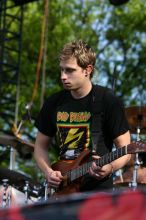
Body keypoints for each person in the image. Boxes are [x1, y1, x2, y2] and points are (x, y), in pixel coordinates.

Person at [34, 39, 131, 194]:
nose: (63, 77)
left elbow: (125, 150)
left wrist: (110, 167)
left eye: (70, 70)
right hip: (64, 191)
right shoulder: (54, 102)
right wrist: (48, 172)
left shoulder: (108, 100)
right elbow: (40, 146)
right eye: (62, 70)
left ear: (88, 70)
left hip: (97, 193)